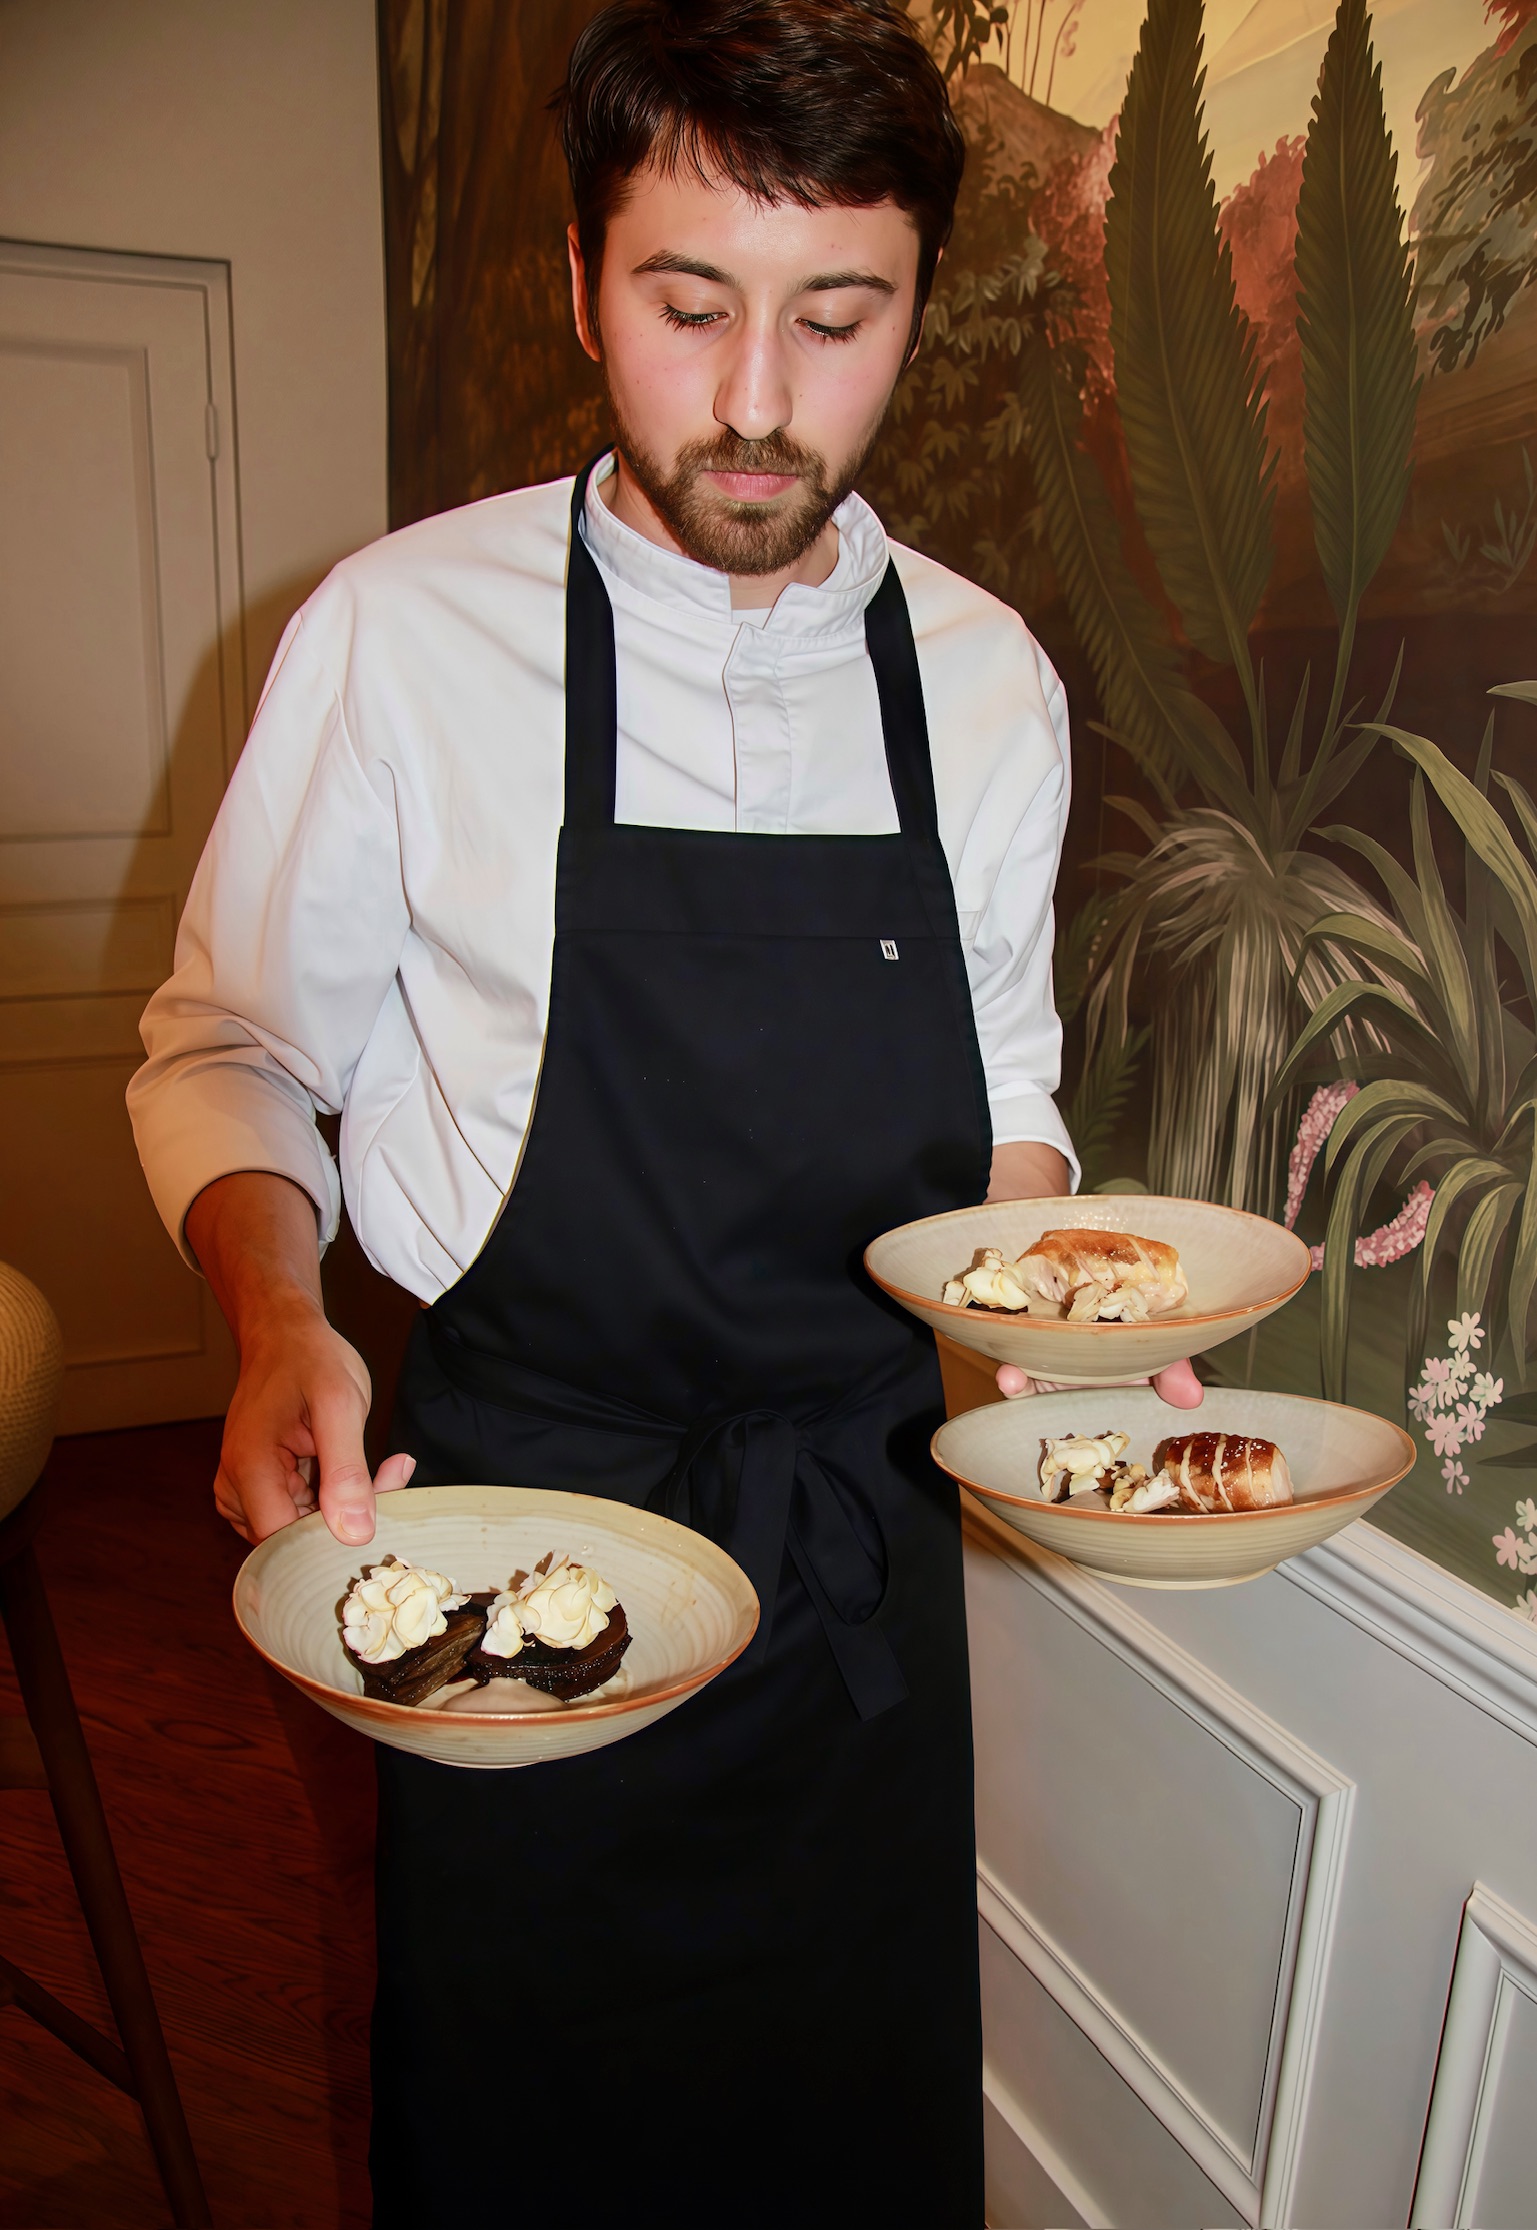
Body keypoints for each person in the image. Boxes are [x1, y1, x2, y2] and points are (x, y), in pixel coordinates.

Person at [129, 3, 1199, 2220]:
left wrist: (1067, 1335)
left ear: (917, 301)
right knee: (524, 2143)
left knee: (838, 2148)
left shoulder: (989, 687)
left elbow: (1005, 1109)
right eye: (688, 305)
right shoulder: (399, 636)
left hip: (852, 1575)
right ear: (580, 276)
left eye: (838, 317)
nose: (756, 399)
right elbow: (235, 1043)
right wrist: (276, 1320)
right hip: (510, 1546)